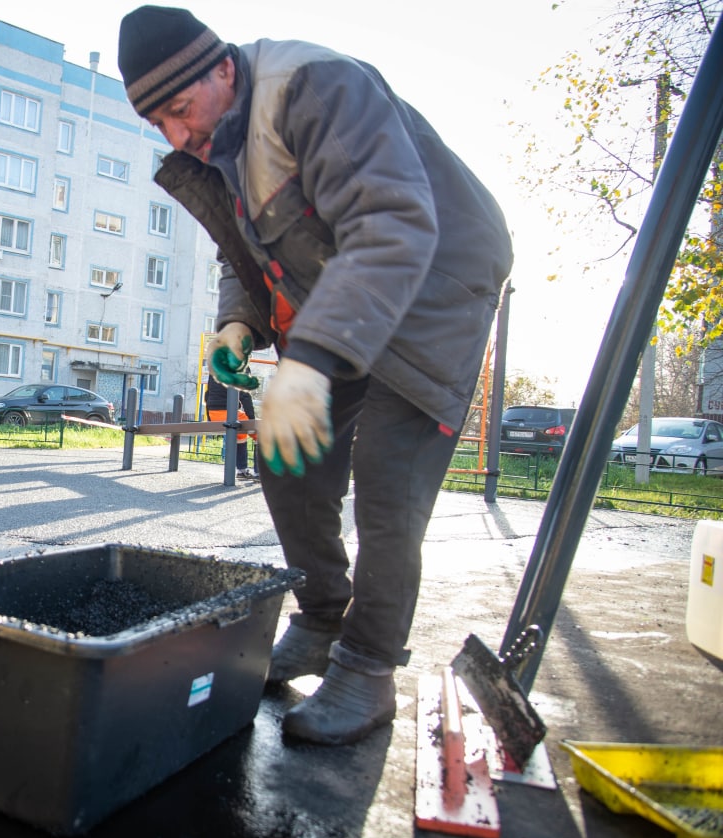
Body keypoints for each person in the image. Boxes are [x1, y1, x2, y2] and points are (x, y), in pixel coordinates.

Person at [118, 6, 513, 745]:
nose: (177, 135)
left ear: (223, 68)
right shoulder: (223, 138)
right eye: (159, 124)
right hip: (353, 295)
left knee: (388, 478)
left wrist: (313, 361)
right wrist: (238, 322)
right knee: (283, 453)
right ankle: (325, 618)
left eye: (179, 109)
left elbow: (392, 225)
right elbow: (253, 250)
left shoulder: (316, 87)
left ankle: (367, 669)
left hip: (435, 288)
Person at [204, 373, 256, 480]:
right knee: (261, 434)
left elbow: (208, 394)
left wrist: (209, 418)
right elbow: (245, 394)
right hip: (230, 413)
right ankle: (260, 473)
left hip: (214, 413)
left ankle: (242, 470)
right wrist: (252, 420)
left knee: (240, 436)